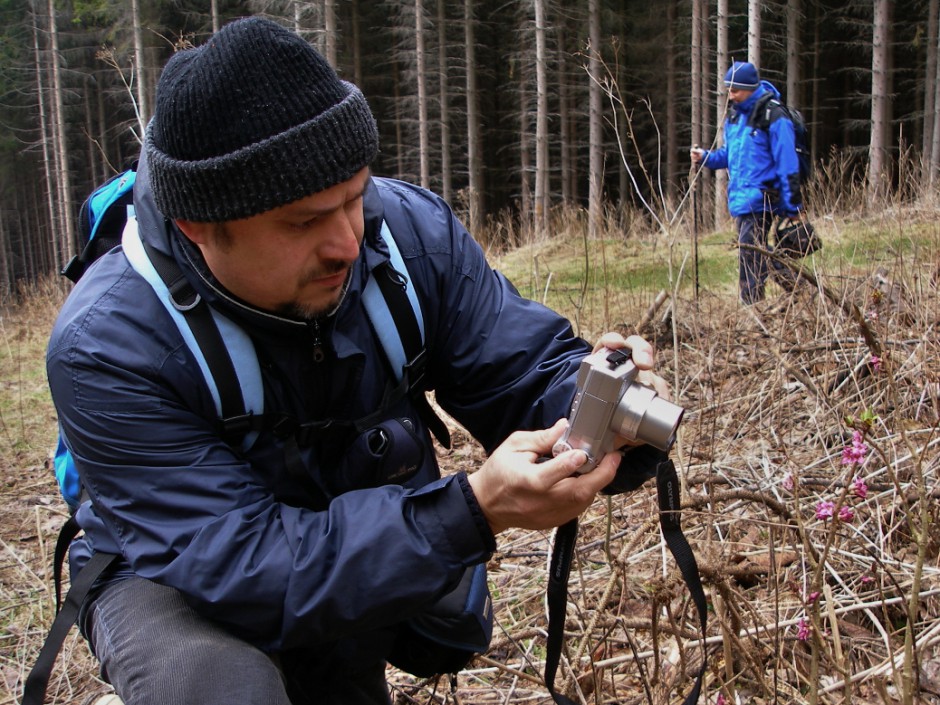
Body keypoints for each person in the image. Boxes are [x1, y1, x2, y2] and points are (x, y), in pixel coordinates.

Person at [46, 17, 669, 705]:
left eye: (355, 195)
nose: (348, 242)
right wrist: (468, 512)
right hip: (175, 565)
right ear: (199, 227)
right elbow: (244, 565)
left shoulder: (404, 235)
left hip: (338, 510)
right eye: (304, 221)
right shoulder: (105, 346)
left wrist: (597, 405)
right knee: (221, 687)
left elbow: (518, 369)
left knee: (378, 655)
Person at [691, 60, 804, 305]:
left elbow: (787, 162)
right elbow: (729, 156)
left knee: (751, 253)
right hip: (741, 198)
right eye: (728, 90)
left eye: (735, 90)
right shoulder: (735, 117)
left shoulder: (773, 114)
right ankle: (800, 287)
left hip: (763, 197)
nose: (730, 96)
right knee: (755, 252)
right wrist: (706, 158)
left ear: (750, 88)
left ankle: (753, 307)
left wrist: (793, 206)